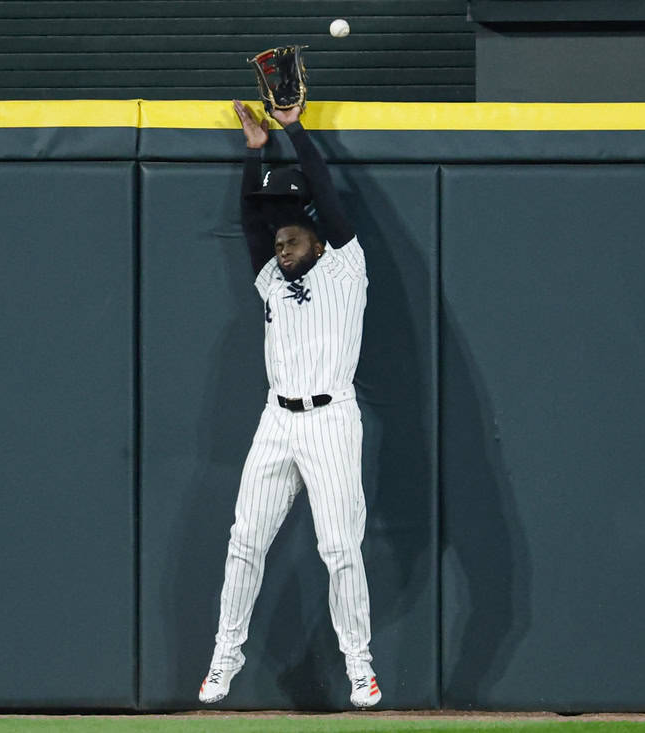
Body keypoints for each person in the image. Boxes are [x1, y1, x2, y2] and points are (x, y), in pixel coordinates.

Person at [198, 100, 381, 709]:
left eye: (290, 235)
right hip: (277, 420)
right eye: (276, 239)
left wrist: (294, 129)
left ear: (317, 235)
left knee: (339, 548)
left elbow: (325, 193)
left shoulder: (346, 266)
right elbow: (253, 221)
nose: (279, 245)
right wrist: (254, 153)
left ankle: (361, 666)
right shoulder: (271, 278)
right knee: (244, 539)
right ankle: (226, 651)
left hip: (331, 420)